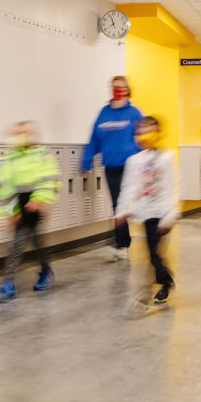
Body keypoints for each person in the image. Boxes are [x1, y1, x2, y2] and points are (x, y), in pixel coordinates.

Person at [0, 121, 61, 303]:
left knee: (16, 245)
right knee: (36, 243)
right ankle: (46, 271)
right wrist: (8, 212)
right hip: (17, 205)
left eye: (24, 132)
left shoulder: (42, 156)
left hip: (34, 205)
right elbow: (1, 189)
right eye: (16, 133)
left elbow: (49, 180)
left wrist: (39, 199)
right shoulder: (7, 160)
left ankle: (9, 284)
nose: (19, 136)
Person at [114, 116, 178, 303]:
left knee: (154, 253)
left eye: (149, 131)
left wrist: (170, 215)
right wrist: (122, 211)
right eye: (141, 132)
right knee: (152, 255)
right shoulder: (133, 161)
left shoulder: (166, 159)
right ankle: (166, 281)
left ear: (158, 135)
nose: (145, 136)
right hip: (143, 214)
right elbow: (128, 188)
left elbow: (172, 187)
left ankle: (145, 295)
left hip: (161, 214)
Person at [82, 75, 142, 262]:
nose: (117, 90)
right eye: (114, 86)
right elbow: (94, 139)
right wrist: (86, 162)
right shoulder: (104, 113)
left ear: (127, 89)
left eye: (121, 87)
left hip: (131, 167)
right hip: (111, 167)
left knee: (127, 204)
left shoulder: (134, 113)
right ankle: (123, 244)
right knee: (117, 205)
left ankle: (130, 240)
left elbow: (143, 136)